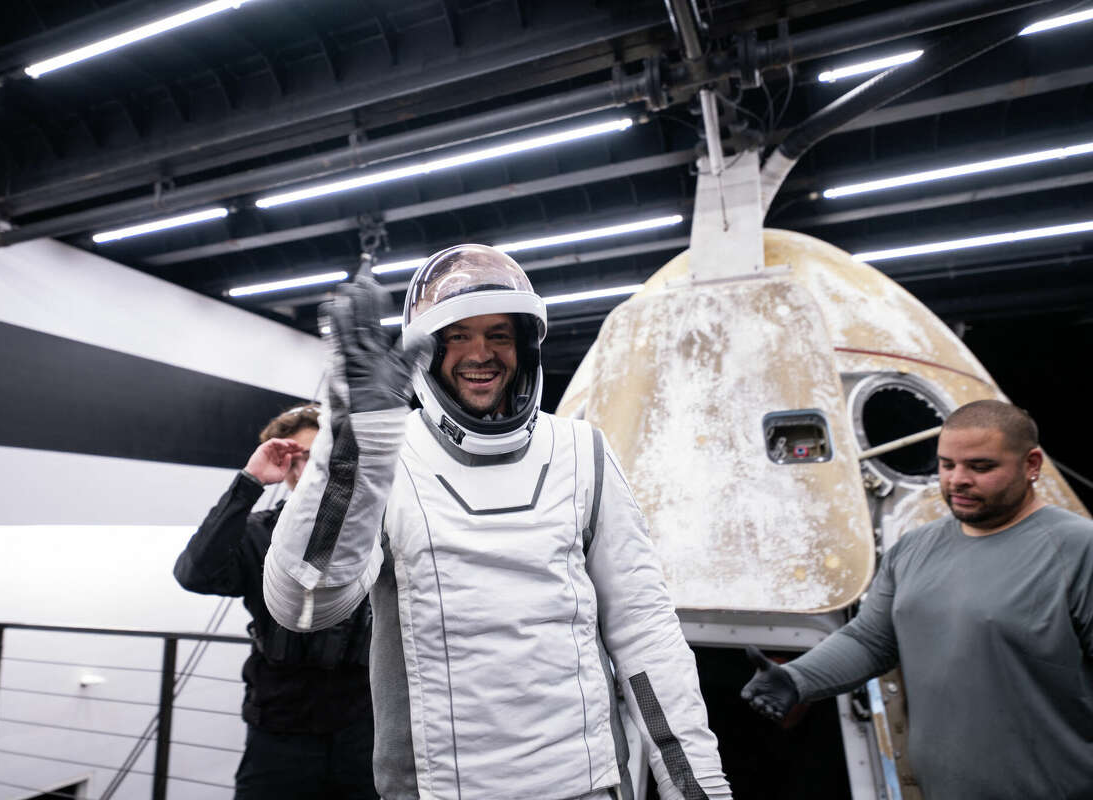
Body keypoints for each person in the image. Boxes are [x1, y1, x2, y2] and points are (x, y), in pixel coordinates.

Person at [263, 244, 732, 800]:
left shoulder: (582, 450)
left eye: (499, 335)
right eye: (458, 335)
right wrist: (356, 444)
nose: (479, 354)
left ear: (525, 347)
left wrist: (697, 785)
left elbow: (644, 632)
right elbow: (304, 605)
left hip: (591, 785)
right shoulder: (390, 451)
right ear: (430, 349)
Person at [741, 399, 1093, 799]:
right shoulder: (914, 549)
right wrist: (797, 678)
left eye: (981, 467)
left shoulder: (1079, 550)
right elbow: (871, 640)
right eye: (947, 465)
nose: (958, 479)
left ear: (1032, 465)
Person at [174, 404, 376, 800]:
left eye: (321, 458)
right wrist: (250, 482)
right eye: (297, 459)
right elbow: (193, 574)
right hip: (280, 731)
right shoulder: (258, 534)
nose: (310, 471)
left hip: (361, 730)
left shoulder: (375, 536)